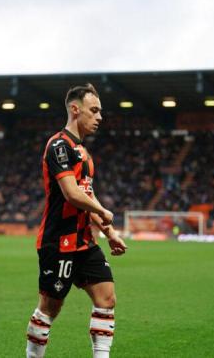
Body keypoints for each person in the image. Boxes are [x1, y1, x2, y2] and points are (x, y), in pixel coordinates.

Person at [25, 83, 128, 358]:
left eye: (100, 111)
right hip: (58, 241)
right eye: (94, 110)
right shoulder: (59, 146)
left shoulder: (84, 154)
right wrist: (105, 211)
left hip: (85, 242)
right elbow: (71, 194)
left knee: (107, 298)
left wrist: (109, 231)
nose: (100, 117)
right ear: (75, 109)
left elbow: (87, 196)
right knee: (50, 307)